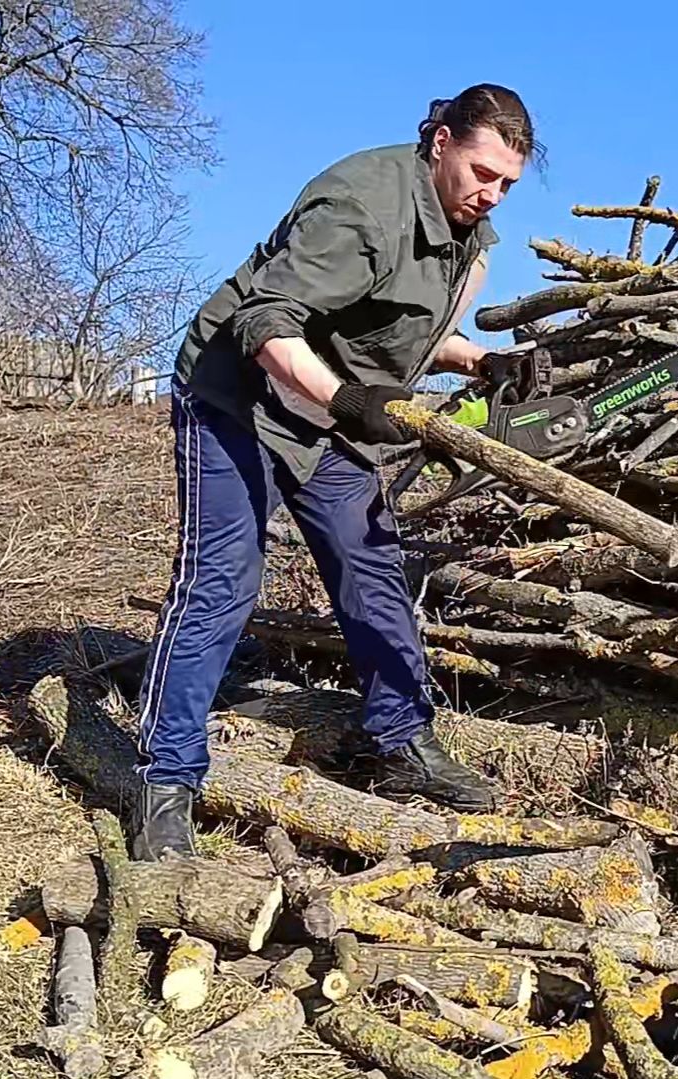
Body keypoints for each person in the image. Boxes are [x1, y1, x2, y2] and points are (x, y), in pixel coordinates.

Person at [121, 84, 541, 860]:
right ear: (440, 142)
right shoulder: (361, 204)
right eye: (483, 172)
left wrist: (484, 360)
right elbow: (265, 320)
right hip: (239, 397)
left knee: (370, 564)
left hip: (320, 413)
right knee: (224, 578)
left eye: (507, 183)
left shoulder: (464, 233)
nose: (492, 194)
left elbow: (400, 329)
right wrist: (347, 399)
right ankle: (164, 779)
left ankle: (399, 740)